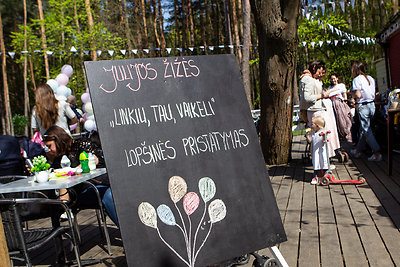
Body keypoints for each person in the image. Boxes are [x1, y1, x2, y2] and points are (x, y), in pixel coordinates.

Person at [43, 125, 119, 226]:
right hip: (80, 192)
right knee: (107, 194)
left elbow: (95, 160)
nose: (48, 150)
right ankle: (127, 233)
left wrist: (75, 170)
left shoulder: (82, 144)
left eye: (49, 146)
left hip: (100, 181)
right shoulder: (58, 159)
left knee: (112, 191)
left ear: (58, 141)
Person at [299, 60, 340, 159]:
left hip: (316, 109)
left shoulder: (309, 78)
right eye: (319, 71)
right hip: (315, 110)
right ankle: (321, 163)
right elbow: (307, 97)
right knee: (319, 137)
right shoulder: (308, 79)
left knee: (321, 137)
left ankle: (322, 162)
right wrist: (322, 95)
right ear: (314, 68)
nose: (320, 74)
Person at [350, 61, 382, 161]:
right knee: (365, 130)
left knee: (367, 131)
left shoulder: (356, 79)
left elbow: (358, 95)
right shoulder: (370, 78)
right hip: (372, 105)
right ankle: (358, 151)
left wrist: (351, 93)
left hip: (363, 106)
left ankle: (377, 153)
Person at [327, 74, 353, 143]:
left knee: (344, 120)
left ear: (337, 78)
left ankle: (347, 136)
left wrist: (345, 103)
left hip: (340, 104)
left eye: (334, 78)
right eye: (332, 79)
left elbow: (344, 95)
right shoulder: (329, 88)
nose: (333, 80)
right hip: (332, 105)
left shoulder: (341, 85)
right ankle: (339, 138)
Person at [306, 116, 328, 185]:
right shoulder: (313, 133)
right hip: (315, 152)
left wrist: (324, 136)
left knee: (323, 162)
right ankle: (315, 176)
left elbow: (324, 141)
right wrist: (307, 136)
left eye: (312, 124)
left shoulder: (322, 132)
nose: (311, 125)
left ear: (317, 126)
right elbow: (310, 141)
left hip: (321, 151)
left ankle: (326, 174)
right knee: (316, 162)